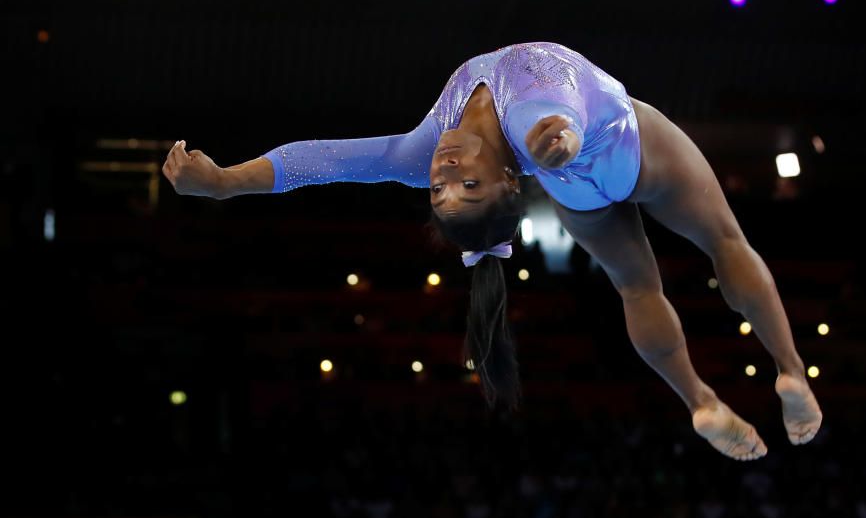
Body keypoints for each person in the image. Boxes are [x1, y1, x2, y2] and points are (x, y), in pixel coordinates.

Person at [162, 41, 822, 461]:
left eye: (441, 188)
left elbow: (324, 161)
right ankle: (783, 370)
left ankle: (703, 398)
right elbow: (547, 109)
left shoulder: (426, 149)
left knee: (637, 286)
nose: (444, 171)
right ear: (507, 184)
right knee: (723, 240)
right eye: (466, 185)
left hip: (569, 180)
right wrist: (555, 139)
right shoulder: (530, 112)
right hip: (626, 148)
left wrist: (222, 183)